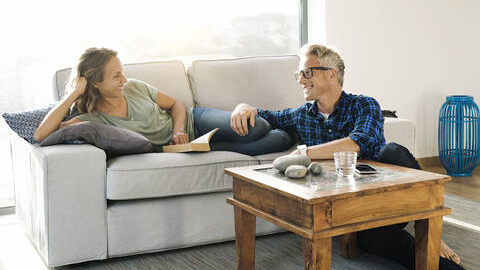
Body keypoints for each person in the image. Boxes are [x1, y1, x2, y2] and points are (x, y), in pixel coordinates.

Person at [230, 43, 464, 270]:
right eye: (299, 74)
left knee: (391, 150)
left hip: (392, 193)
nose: (301, 80)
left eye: (307, 73)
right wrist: (242, 106)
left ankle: (432, 231)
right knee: (379, 242)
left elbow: (355, 144)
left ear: (332, 74)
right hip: (357, 208)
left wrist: (305, 153)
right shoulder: (301, 115)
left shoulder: (365, 105)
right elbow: (266, 115)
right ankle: (428, 247)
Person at [34, 47, 293, 156]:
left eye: (122, 71)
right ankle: (292, 133)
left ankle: (289, 124)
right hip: (185, 148)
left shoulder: (134, 87)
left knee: (257, 127)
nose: (124, 79)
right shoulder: (91, 120)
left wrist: (179, 130)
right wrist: (73, 93)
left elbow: (176, 104)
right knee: (280, 140)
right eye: (116, 76)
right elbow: (41, 134)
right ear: (95, 84)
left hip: (194, 120)